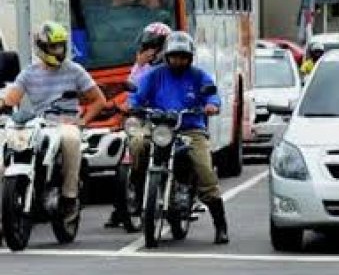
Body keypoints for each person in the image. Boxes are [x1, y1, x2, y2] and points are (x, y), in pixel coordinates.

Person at [127, 31, 229, 245]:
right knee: (137, 143)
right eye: (174, 56)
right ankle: (137, 189)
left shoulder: (199, 76)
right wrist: (132, 105)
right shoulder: (154, 75)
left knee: (204, 168)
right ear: (166, 56)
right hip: (159, 128)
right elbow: (136, 95)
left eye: (183, 57)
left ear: (190, 57)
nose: (178, 60)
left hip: (190, 129)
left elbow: (211, 94)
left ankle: (220, 225)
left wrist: (212, 104)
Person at [0, 22, 107, 224]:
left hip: (65, 125)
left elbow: (99, 100)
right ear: (41, 47)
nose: (58, 51)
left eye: (60, 46)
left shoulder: (75, 70)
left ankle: (69, 197)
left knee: (71, 138)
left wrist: (82, 120)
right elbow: (11, 98)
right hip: (38, 125)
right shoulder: (29, 73)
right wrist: (3, 102)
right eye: (53, 47)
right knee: (7, 144)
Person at [105, 22, 173, 229]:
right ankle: (124, 205)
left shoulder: (173, 66)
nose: (147, 50)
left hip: (167, 122)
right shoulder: (141, 66)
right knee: (133, 147)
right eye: (146, 45)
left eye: (152, 46)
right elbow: (133, 91)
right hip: (144, 119)